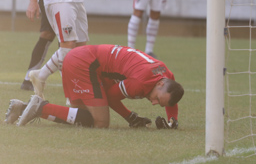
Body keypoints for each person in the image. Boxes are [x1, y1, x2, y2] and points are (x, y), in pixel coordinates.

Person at [6, 44, 183, 129]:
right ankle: (40, 107)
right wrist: (131, 117)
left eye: (160, 104)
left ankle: (22, 108)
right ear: (160, 83)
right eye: (158, 99)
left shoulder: (166, 75)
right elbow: (110, 96)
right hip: (84, 64)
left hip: (81, 59)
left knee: (84, 119)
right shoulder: (140, 83)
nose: (154, 103)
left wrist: (172, 120)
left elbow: (172, 96)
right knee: (101, 122)